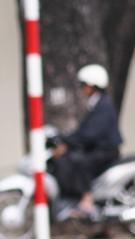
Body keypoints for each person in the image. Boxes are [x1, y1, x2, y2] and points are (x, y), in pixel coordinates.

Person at [51, 64, 124, 229]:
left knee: (80, 161)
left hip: (106, 151)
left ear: (92, 86)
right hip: (100, 149)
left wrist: (68, 142)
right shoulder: (97, 104)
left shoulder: (103, 105)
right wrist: (67, 139)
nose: (82, 89)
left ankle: (87, 200)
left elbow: (90, 134)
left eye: (84, 85)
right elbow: (84, 131)